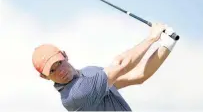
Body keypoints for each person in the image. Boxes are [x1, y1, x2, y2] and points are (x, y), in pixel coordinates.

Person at [32, 23, 178, 111]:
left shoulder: (90, 72)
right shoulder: (75, 95)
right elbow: (121, 65)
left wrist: (167, 44)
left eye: (59, 63)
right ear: (45, 77)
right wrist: (152, 38)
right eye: (52, 70)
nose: (60, 71)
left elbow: (138, 76)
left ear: (65, 55)